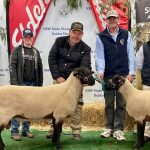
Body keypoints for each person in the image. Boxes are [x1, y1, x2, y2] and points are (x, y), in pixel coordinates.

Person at [95, 9, 135, 140]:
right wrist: (100, 71)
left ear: (118, 20)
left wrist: (131, 72)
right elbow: (100, 57)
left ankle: (118, 129)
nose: (112, 20)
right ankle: (108, 128)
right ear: (106, 21)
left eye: (114, 18)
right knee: (109, 103)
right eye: (109, 19)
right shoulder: (101, 36)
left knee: (122, 104)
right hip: (109, 75)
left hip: (123, 75)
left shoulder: (126, 34)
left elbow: (131, 54)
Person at [48, 22, 91, 140]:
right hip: (59, 79)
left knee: (77, 105)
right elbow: (52, 59)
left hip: (75, 83)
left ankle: (76, 131)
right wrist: (57, 77)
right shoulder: (59, 41)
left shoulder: (85, 48)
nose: (76, 35)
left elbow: (85, 66)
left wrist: (79, 80)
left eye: (79, 33)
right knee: (54, 104)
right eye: (74, 32)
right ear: (69, 31)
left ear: (82, 34)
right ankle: (53, 128)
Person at [9, 28, 43, 141]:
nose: (28, 39)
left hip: (32, 84)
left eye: (30, 37)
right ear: (22, 38)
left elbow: (40, 69)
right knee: (17, 109)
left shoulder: (35, 51)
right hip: (20, 84)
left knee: (29, 108)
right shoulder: (17, 50)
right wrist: (15, 84)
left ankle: (26, 130)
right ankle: (14, 131)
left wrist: (39, 85)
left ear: (32, 38)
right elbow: (12, 67)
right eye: (26, 37)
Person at [136, 32, 150, 142]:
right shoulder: (144, 48)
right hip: (147, 84)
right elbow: (139, 65)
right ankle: (146, 134)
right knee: (147, 111)